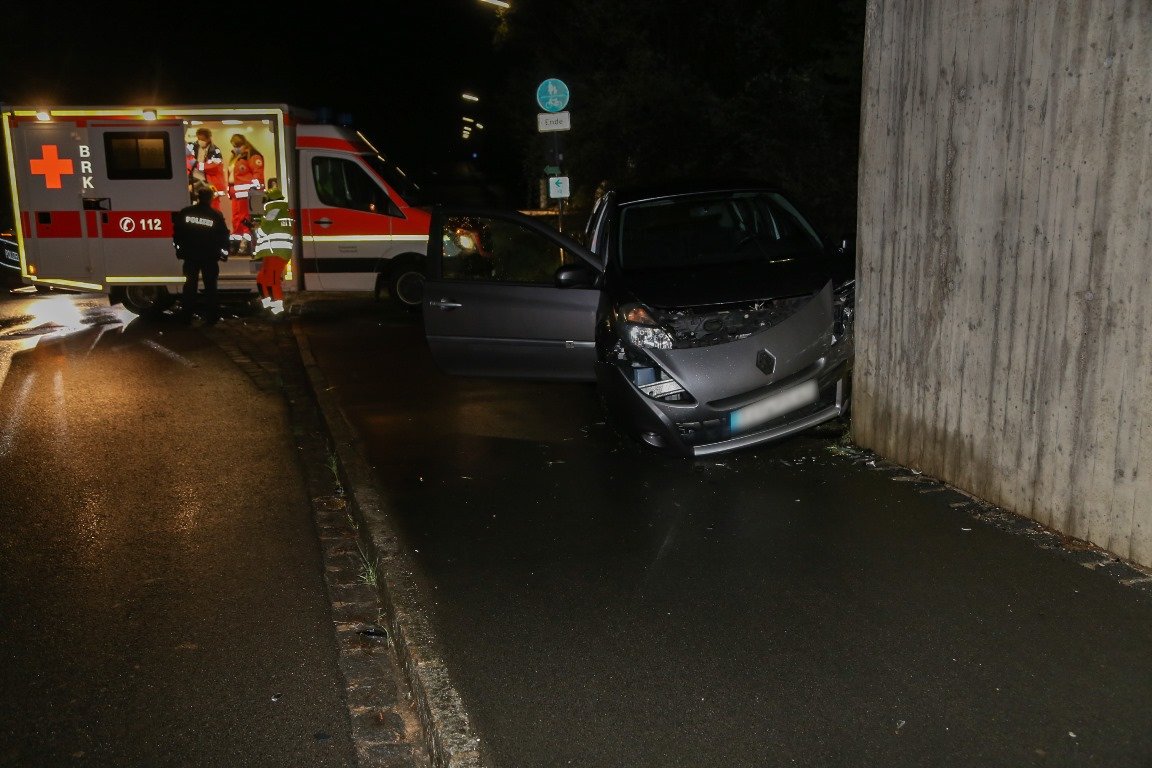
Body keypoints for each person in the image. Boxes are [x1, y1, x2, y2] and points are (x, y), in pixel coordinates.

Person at [173, 185, 230, 324]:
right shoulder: (215, 214)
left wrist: (179, 250)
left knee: (189, 287)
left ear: (198, 197)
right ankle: (211, 318)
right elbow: (223, 235)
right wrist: (224, 252)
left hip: (190, 256)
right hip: (209, 257)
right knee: (211, 288)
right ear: (210, 198)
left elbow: (177, 234)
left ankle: (186, 317)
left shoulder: (186, 212)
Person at [252, 177, 293, 315]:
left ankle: (277, 310)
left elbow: (262, 232)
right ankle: (268, 305)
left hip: (275, 252)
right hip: (278, 252)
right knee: (263, 277)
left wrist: (256, 228)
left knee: (272, 281)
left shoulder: (272, 212)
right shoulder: (285, 212)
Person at [226, 134, 265, 254]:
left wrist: (254, 193)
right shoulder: (237, 156)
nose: (236, 148)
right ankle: (236, 243)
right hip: (236, 194)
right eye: (234, 146)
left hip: (247, 194)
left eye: (237, 145)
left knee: (245, 219)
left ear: (244, 144)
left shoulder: (252, 156)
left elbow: (257, 174)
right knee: (236, 220)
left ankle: (247, 244)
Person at [188, 128, 227, 211]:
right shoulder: (192, 148)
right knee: (195, 208)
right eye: (199, 139)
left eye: (203, 139)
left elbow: (214, 167)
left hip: (210, 183)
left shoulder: (215, 151)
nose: (200, 141)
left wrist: (197, 165)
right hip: (194, 182)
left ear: (208, 138)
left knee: (213, 208)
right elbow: (187, 162)